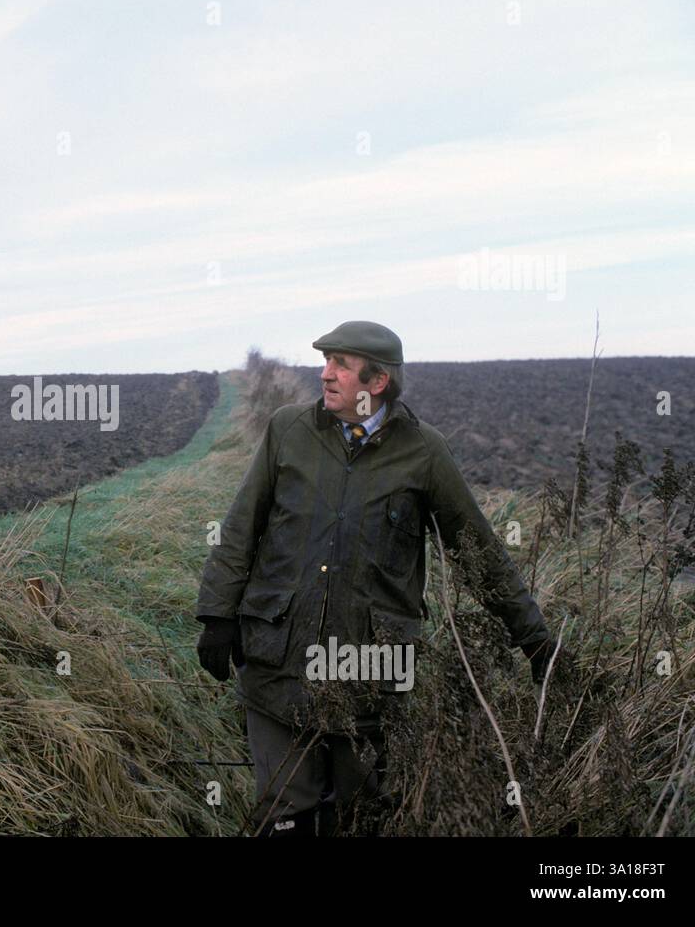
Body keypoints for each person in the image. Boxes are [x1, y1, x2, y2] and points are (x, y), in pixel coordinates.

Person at [195, 321, 557, 836]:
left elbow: (479, 553)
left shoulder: (424, 453)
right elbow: (239, 529)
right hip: (277, 662)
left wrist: (535, 641)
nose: (326, 374)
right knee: (284, 815)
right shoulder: (287, 431)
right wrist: (216, 615)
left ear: (379, 381)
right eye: (325, 362)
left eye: (340, 364)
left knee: (359, 816)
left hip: (369, 674)